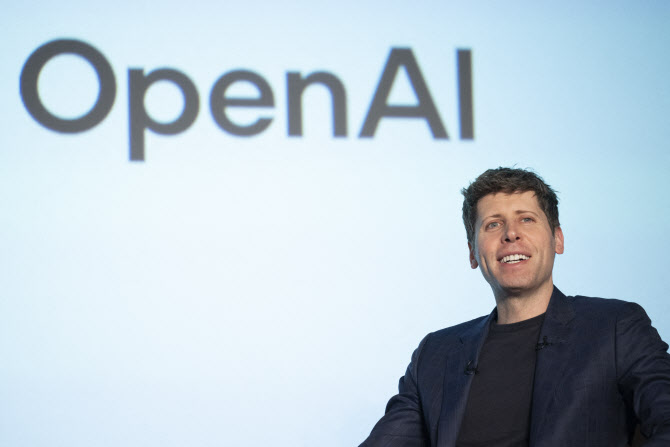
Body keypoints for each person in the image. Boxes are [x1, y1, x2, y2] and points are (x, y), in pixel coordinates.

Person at [360, 167, 670, 447]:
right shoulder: (435, 354)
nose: (511, 234)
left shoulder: (614, 327)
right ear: (472, 253)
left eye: (526, 219)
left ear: (557, 239)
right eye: (493, 224)